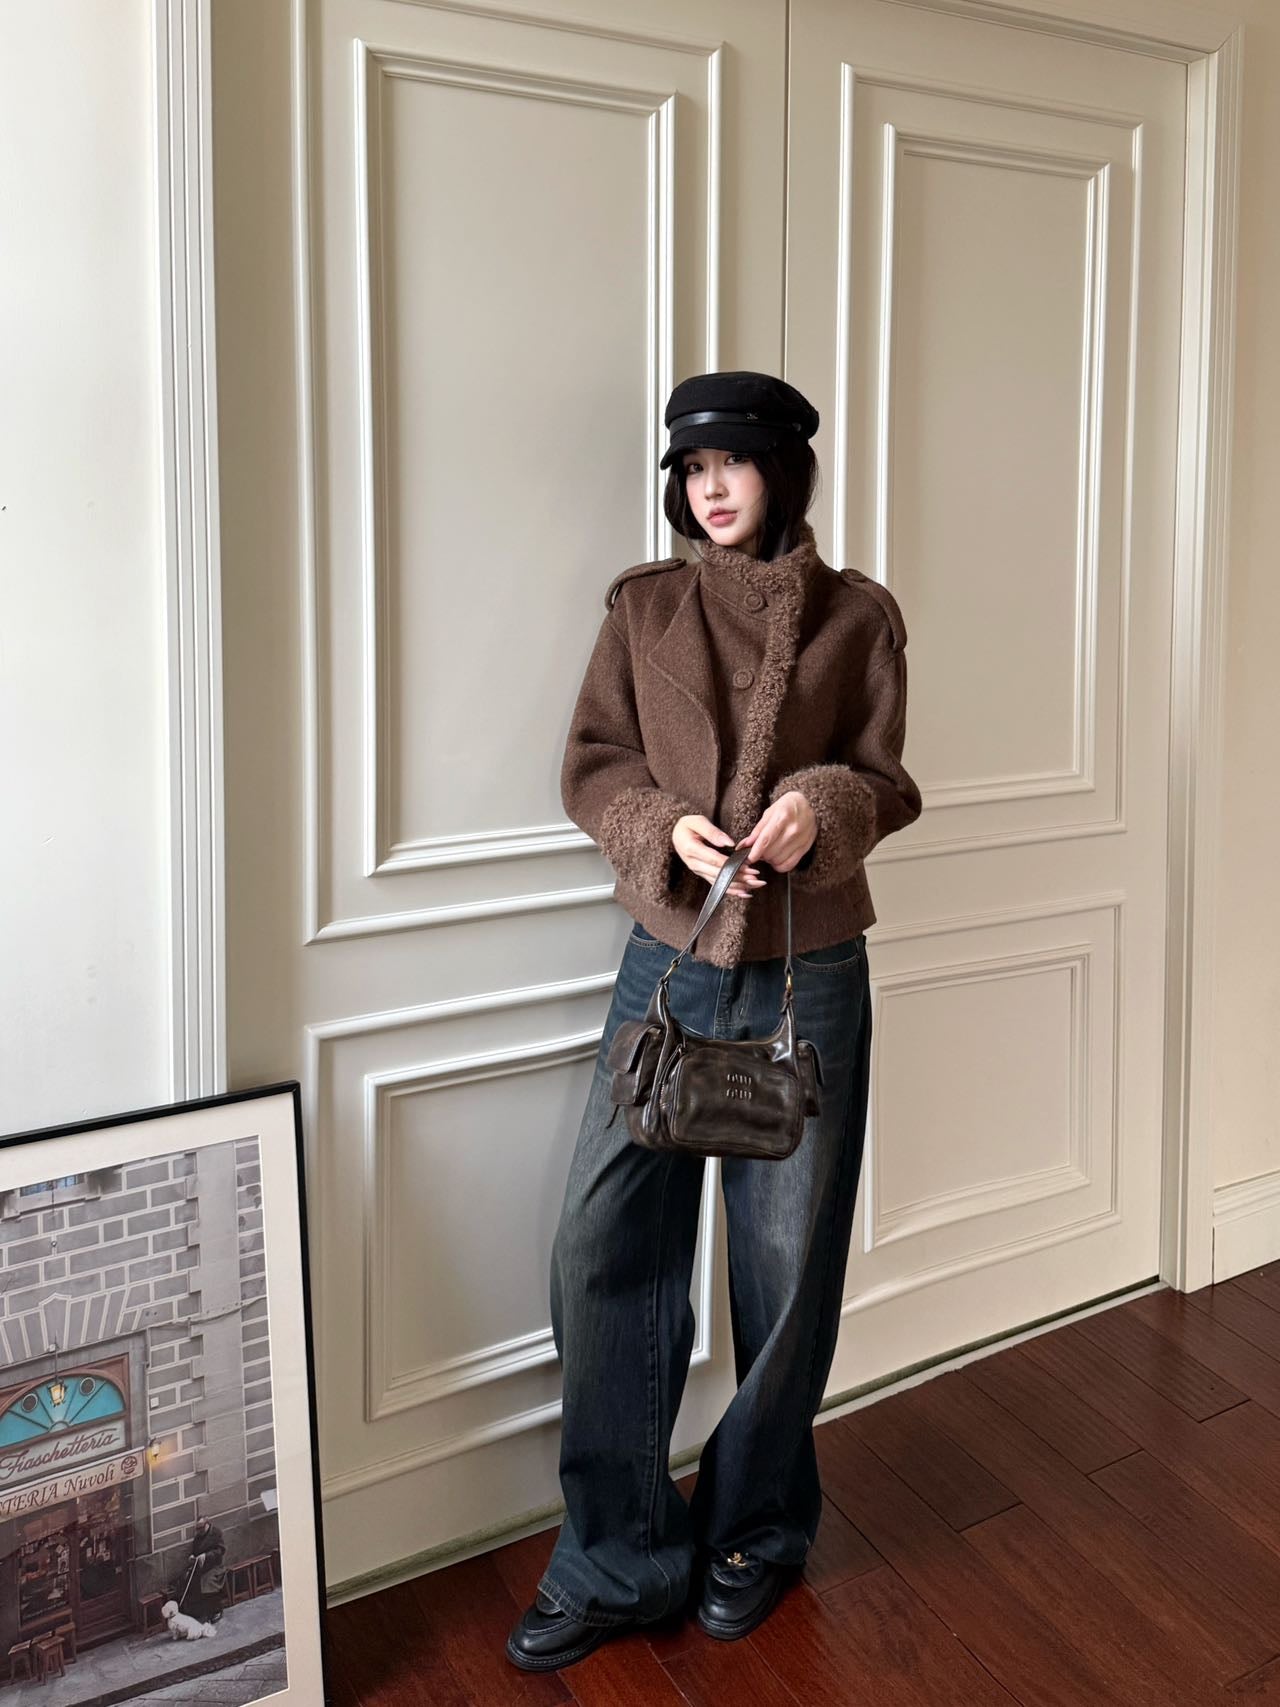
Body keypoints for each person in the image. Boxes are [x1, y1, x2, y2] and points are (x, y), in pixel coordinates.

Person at [506, 371, 923, 1673]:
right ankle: (617, 1555)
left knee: (786, 1271)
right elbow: (594, 763)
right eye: (691, 469)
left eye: (731, 462)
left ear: (781, 470)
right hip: (668, 960)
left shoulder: (858, 615)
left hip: (811, 968)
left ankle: (756, 1527)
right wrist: (661, 829)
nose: (710, 488)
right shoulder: (644, 607)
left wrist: (817, 807)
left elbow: (887, 780)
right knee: (600, 1245)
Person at [173, 1516, 226, 1623]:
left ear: (207, 1524)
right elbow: (195, 1552)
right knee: (186, 1579)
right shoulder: (198, 1537)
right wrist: (193, 1557)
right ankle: (194, 1611)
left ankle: (216, 1610)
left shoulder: (216, 1533)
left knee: (207, 1582)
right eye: (198, 1528)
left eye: (201, 1528)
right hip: (201, 1567)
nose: (199, 1531)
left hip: (214, 1567)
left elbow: (220, 1551)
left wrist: (206, 1556)